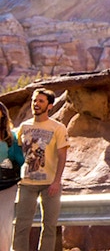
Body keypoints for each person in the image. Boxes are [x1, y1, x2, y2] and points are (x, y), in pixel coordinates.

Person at [13, 88, 69, 251]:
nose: (36, 104)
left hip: (50, 184)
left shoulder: (58, 128)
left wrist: (57, 181)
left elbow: (62, 156)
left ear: (50, 106)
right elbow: (17, 154)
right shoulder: (24, 127)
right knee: (21, 226)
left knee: (49, 227)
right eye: (34, 101)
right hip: (26, 183)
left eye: (41, 101)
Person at [0, 102, 26, 251]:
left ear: (3, 114)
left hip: (6, 186)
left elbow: (20, 160)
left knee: (3, 224)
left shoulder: (12, 136)